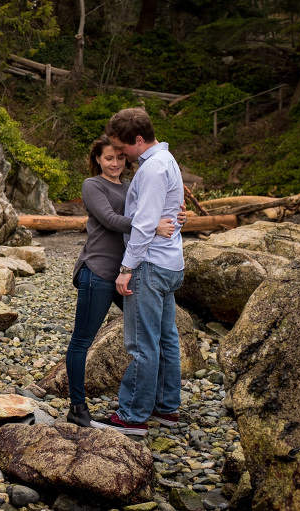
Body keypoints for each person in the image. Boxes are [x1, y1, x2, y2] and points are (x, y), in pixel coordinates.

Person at [66, 134, 185, 427]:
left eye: (120, 157)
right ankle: (77, 407)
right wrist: (151, 225)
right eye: (109, 158)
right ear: (97, 159)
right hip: (99, 271)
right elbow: (109, 219)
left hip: (130, 271)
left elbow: (154, 210)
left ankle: (156, 403)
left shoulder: (134, 184)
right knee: (83, 340)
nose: (116, 163)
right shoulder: (92, 185)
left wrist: (174, 215)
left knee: (153, 337)